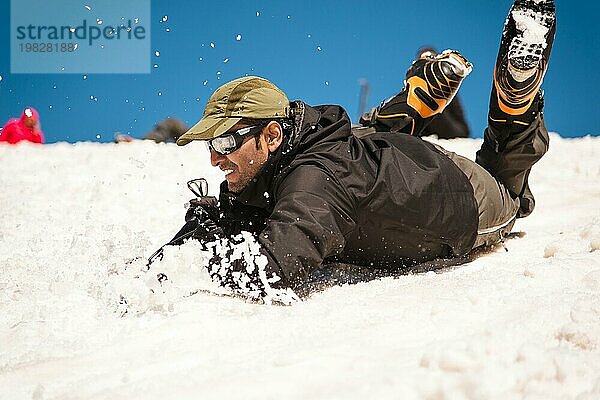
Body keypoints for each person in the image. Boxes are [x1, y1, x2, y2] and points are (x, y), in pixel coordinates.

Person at [153, 0, 556, 304]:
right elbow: (234, 213)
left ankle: (514, 106)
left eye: (226, 143)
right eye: (212, 144)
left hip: (461, 195)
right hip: (384, 159)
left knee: (510, 194)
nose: (214, 158)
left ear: (272, 135)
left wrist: (196, 269)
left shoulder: (315, 184)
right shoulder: (297, 142)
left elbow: (272, 268)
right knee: (355, 144)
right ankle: (410, 107)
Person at [114, 118, 188, 143]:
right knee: (171, 123)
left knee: (171, 122)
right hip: (189, 135)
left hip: (193, 137)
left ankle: (142, 141)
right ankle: (142, 141)